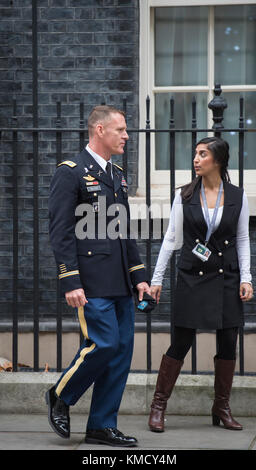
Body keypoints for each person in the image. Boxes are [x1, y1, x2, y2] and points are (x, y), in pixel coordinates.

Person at [46, 105, 151, 447]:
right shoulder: (71, 172)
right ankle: (60, 395)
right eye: (120, 130)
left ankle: (101, 425)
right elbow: (60, 231)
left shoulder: (117, 174)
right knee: (103, 343)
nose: (126, 136)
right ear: (99, 131)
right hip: (90, 281)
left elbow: (123, 232)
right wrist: (70, 280)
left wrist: (139, 277)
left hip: (120, 280)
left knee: (119, 353)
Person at [148, 137, 253, 433]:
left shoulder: (237, 195)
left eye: (202, 154)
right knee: (180, 342)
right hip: (192, 276)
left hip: (226, 277)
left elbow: (243, 239)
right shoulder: (184, 195)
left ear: (217, 161)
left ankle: (221, 407)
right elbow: (171, 239)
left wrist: (246, 277)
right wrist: (157, 280)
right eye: (195, 153)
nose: (195, 159)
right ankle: (158, 406)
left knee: (228, 343)